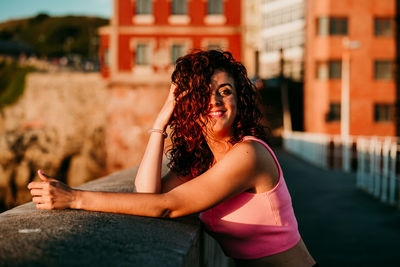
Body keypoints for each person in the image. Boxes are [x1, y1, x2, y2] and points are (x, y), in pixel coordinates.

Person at [28, 50, 317, 267]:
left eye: (225, 91)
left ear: (239, 100)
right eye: (203, 94)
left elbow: (168, 207)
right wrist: (161, 120)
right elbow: (147, 192)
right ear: (189, 104)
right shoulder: (204, 160)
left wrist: (75, 199)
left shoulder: (249, 154)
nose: (215, 100)